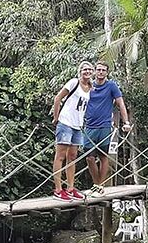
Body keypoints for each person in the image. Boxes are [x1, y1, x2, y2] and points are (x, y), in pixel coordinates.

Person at [83, 61, 131, 196]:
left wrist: (126, 121)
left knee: (103, 156)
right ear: (94, 71)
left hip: (104, 125)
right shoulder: (89, 86)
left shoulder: (111, 86)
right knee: (89, 158)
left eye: (103, 70)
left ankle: (99, 186)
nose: (100, 72)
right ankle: (96, 184)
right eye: (98, 70)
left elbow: (121, 104)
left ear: (107, 72)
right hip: (89, 126)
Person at [50, 61, 95, 201]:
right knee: (60, 156)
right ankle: (58, 189)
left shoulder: (90, 88)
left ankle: (70, 188)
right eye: (84, 69)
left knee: (73, 156)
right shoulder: (73, 82)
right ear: (80, 71)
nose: (87, 72)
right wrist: (56, 117)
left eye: (89, 69)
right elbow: (58, 98)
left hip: (77, 125)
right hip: (66, 122)